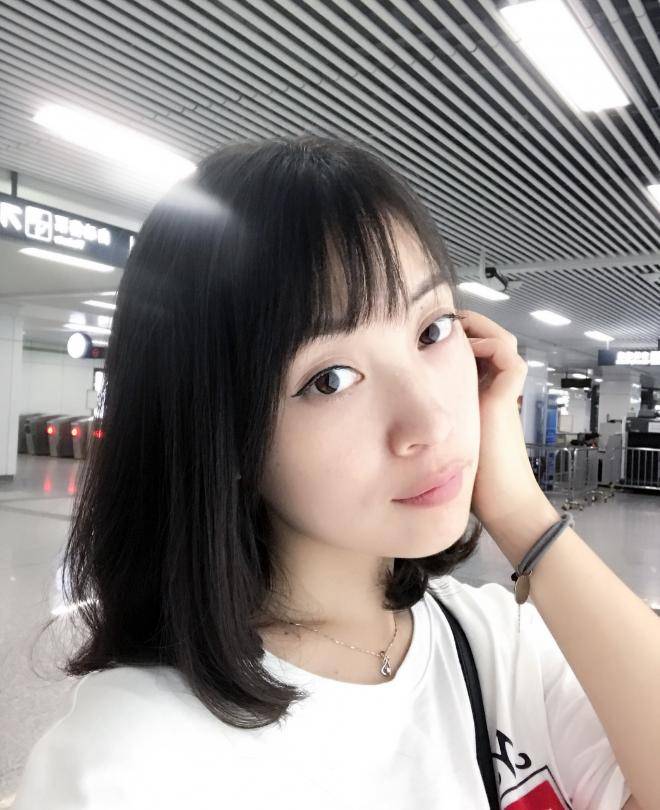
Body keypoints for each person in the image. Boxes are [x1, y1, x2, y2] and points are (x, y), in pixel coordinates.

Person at [14, 135, 655, 809]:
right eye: (331, 378)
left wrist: (521, 513)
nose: (431, 421)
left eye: (432, 331)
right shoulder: (129, 765)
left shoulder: (496, 640)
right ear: (219, 435)